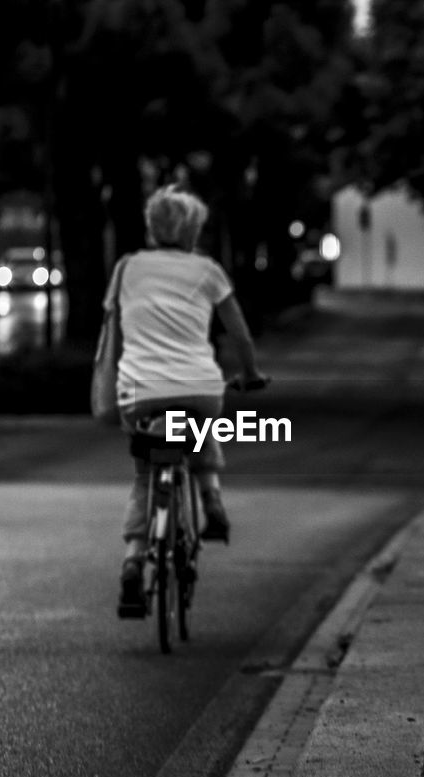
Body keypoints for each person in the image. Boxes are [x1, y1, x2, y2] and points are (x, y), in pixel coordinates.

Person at [106, 185, 266, 613]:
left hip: (139, 391)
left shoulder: (127, 268)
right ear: (194, 230)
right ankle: (211, 497)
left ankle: (133, 562)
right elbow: (241, 334)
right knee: (197, 425)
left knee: (145, 477)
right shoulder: (209, 271)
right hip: (198, 386)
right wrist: (249, 374)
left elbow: (115, 328)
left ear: (152, 229)